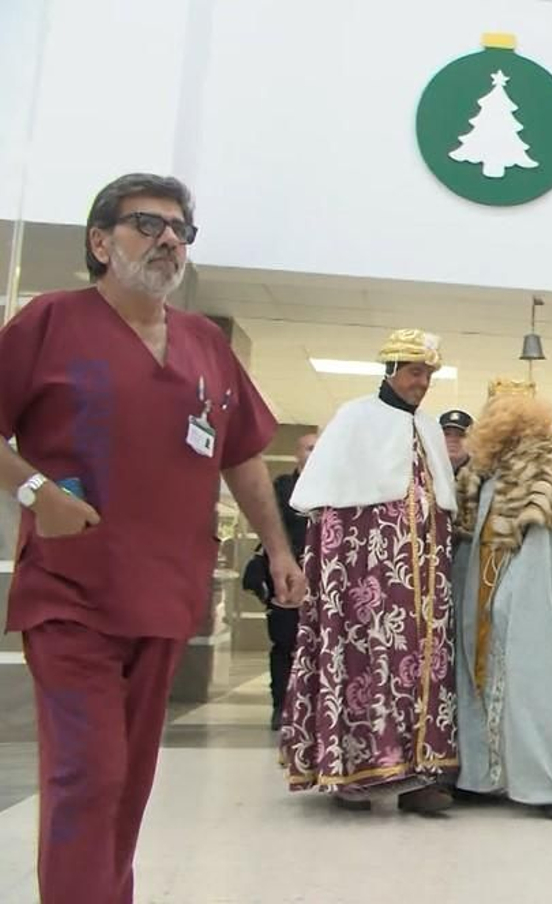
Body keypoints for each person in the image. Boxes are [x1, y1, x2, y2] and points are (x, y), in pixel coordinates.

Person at [0, 173, 303, 904]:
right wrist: (37, 492)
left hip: (166, 598)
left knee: (128, 783)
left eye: (181, 229)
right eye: (148, 223)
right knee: (87, 773)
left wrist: (279, 547)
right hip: (71, 595)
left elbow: (240, 455)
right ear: (100, 243)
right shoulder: (50, 323)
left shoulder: (204, 344)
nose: (170, 239)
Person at [281, 328, 459, 814]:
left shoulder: (427, 427)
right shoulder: (355, 417)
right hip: (368, 576)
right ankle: (357, 771)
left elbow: (441, 498)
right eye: (414, 373)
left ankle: (421, 775)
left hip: (424, 580)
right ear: (392, 371)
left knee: (424, 666)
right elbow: (331, 510)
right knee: (367, 658)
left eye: (428, 375)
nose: (422, 383)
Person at [451, 377, 552, 819]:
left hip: (520, 592)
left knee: (532, 677)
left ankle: (549, 783)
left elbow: (543, 547)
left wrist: (515, 598)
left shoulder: (549, 461)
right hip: (477, 591)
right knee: (477, 678)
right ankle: (482, 774)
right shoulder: (481, 467)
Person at [266, 431, 317, 731]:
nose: (314, 454)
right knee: (285, 644)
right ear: (297, 453)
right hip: (287, 576)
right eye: (309, 448)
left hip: (320, 580)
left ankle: (311, 708)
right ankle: (281, 705)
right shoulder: (283, 488)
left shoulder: (330, 488)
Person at [441, 408, 474, 473]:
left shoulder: (483, 478)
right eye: (447, 434)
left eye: (460, 435)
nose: (453, 439)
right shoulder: (424, 474)